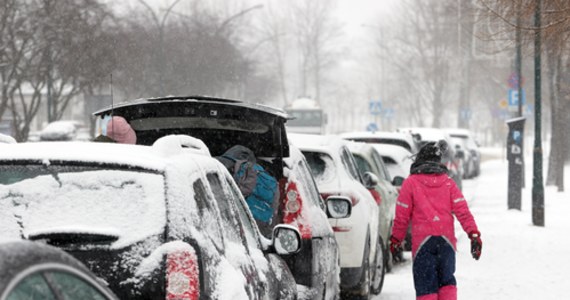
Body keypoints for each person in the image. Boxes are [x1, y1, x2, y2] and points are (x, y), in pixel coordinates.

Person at [389, 140, 482, 300]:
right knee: (447, 282)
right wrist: (473, 234)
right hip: (446, 242)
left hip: (422, 244)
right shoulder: (448, 183)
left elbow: (401, 216)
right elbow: (463, 211)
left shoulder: (410, 183)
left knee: (426, 286)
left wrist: (396, 239)